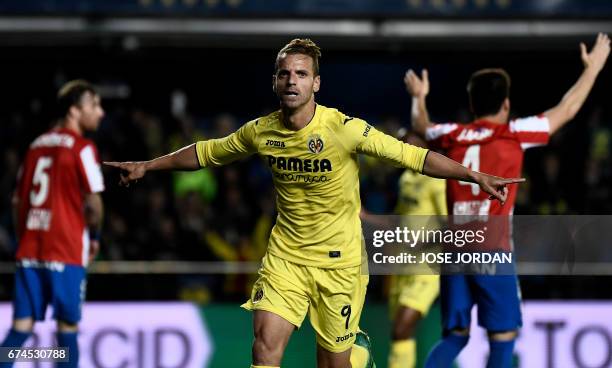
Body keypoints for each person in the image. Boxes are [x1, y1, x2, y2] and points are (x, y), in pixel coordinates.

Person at [105, 38, 522, 368]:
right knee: (264, 349)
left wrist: (473, 175)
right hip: (286, 256)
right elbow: (206, 152)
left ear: (316, 83)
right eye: (284, 73)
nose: (292, 80)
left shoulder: (344, 129)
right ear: (274, 81)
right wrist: (148, 165)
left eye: (301, 74)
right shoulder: (260, 131)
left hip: (340, 264)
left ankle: (355, 354)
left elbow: (413, 155)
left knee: (334, 363)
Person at [403, 33, 610, 368]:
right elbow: (568, 109)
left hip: (455, 251)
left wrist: (419, 97)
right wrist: (593, 68)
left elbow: (421, 125)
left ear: (472, 106)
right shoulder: (514, 134)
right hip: (492, 249)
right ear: (506, 104)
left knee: (454, 337)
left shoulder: (452, 134)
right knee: (502, 340)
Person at [0, 80, 106, 368]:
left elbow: (16, 202)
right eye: (94, 105)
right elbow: (93, 203)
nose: (101, 112)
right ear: (74, 110)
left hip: (31, 249)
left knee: (20, 329)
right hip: (66, 249)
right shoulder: (82, 147)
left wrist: (25, 237)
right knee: (67, 332)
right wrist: (94, 236)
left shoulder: (35, 145)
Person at [388, 131, 446, 368]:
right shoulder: (406, 179)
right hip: (404, 265)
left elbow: (452, 226)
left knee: (402, 327)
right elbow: (399, 220)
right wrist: (365, 216)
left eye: (409, 142)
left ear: (424, 145)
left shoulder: (437, 180)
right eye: (402, 143)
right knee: (400, 332)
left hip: (428, 268)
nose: (405, 147)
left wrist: (420, 244)